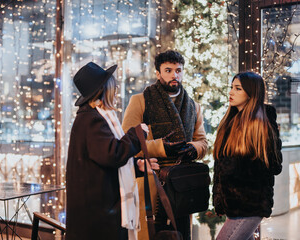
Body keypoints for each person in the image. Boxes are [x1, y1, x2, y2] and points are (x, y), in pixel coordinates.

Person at [66, 62, 159, 240]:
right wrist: (136, 135)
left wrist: (136, 164)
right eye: (113, 86)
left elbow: (103, 156)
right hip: (98, 212)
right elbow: (111, 155)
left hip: (96, 210)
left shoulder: (91, 117)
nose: (115, 90)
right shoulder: (92, 119)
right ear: (103, 90)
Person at [122, 50, 208, 240]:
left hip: (182, 183)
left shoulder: (193, 106)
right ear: (158, 73)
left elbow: (202, 141)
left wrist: (194, 148)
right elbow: (127, 143)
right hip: (152, 180)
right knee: (151, 233)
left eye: (178, 70)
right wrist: (162, 147)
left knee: (181, 233)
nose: (174, 75)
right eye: (168, 70)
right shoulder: (140, 102)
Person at [212, 72, 283, 240]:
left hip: (250, 206)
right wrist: (221, 199)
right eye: (231, 88)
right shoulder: (228, 123)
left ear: (252, 93)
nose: (231, 92)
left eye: (238, 89)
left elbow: (275, 166)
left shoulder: (262, 125)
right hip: (233, 206)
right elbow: (220, 168)